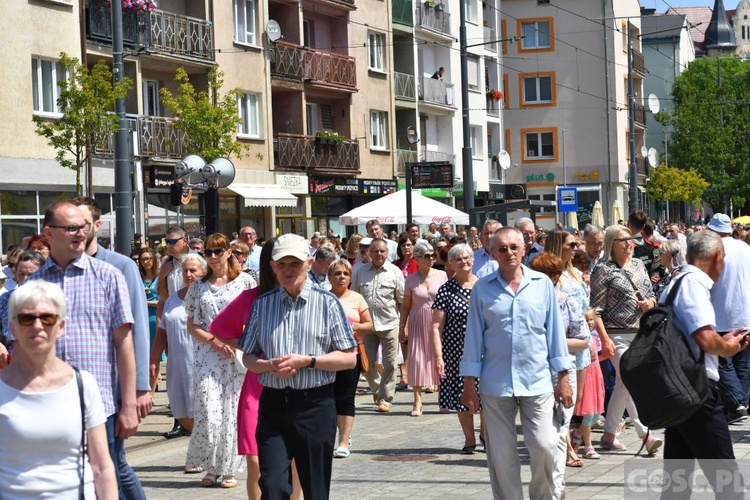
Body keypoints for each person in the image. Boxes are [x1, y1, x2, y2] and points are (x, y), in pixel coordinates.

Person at [25, 200, 140, 495]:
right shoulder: (34, 286)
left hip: (100, 405)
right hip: (47, 403)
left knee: (106, 476)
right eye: (71, 228)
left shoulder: (108, 276)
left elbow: (124, 344)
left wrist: (129, 405)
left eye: (83, 227)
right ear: (48, 233)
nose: (80, 233)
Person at [240, 233, 357, 499]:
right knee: (272, 486)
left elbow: (349, 358)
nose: (288, 270)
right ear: (272, 267)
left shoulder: (327, 303)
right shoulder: (262, 304)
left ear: (308, 262)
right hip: (273, 406)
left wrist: (309, 361)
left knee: (315, 490)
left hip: (314, 405)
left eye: (294, 263)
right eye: (282, 264)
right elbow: (248, 357)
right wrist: (267, 365)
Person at [461, 227, 573, 500]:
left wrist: (563, 377)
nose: (508, 252)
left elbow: (555, 332)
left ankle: (544, 496)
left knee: (545, 445)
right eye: (502, 248)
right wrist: (468, 384)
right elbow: (473, 337)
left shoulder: (542, 284)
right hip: (496, 382)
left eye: (513, 247)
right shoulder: (482, 289)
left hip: (537, 380)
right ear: (492, 252)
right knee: (501, 453)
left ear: (524, 249)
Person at [0, 280, 117, 499]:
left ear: (61, 326)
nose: (37, 326)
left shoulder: (83, 385)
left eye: (47, 318)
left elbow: (102, 466)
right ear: (13, 327)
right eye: (27, 318)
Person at [658, 229, 748, 499]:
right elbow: (705, 338)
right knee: (728, 482)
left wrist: (721, 340)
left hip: (677, 389)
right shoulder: (694, 284)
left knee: (677, 483)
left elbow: (694, 336)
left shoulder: (675, 282)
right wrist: (728, 347)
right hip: (696, 391)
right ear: (718, 256)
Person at [184, 233, 256, 489]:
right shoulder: (199, 286)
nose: (213, 256)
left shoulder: (245, 282)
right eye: (208, 252)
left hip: (236, 353)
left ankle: (228, 469)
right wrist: (215, 341)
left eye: (218, 251)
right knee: (208, 410)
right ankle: (211, 465)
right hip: (207, 353)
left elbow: (254, 318)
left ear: (229, 252)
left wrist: (239, 343)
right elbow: (192, 325)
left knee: (232, 410)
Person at [590, 225, 661, 454]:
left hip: (641, 333)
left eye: (631, 239)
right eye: (623, 240)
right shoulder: (603, 269)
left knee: (624, 383)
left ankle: (609, 435)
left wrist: (650, 303)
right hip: (616, 333)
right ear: (612, 243)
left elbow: (651, 294)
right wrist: (604, 338)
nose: (629, 243)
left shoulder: (640, 265)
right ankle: (645, 433)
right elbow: (596, 309)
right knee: (631, 379)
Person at [529, 253, 589, 486]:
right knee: (541, 436)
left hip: (563, 373)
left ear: (553, 278)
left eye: (539, 276)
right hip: (534, 374)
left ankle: (556, 486)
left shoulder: (566, 301)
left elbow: (582, 340)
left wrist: (551, 341)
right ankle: (546, 481)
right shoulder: (527, 302)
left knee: (559, 429)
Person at [432, 244, 484, 453]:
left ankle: (486, 435)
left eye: (467, 257)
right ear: (451, 263)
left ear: (473, 259)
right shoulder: (446, 289)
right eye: (458, 259)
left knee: (487, 396)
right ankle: (469, 440)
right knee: (461, 395)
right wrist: (438, 357)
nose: (464, 261)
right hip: (455, 352)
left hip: (483, 349)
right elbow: (436, 326)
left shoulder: (484, 286)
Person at [150, 254, 206, 444]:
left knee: (203, 412)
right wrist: (154, 359)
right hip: (177, 367)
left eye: (193, 271)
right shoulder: (173, 299)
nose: (188, 274)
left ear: (203, 272)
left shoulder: (209, 296)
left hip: (203, 367)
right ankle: (205, 448)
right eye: (185, 271)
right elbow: (162, 331)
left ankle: (202, 452)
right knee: (180, 412)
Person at [351, 238, 405, 412]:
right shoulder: (360, 272)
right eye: (375, 251)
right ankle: (376, 389)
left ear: (387, 252)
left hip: (390, 323)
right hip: (367, 326)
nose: (379, 254)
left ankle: (385, 399)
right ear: (369, 253)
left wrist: (405, 324)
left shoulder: (395, 272)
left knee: (390, 363)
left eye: (382, 251)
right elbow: (355, 298)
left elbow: (402, 301)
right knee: (367, 364)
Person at [706, 213, 750, 424]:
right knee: (743, 362)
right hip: (746, 313)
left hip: (722, 312)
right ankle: (740, 402)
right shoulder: (744, 247)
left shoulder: (714, 249)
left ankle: (736, 403)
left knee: (723, 361)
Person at [328, 258, 373, 458]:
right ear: (329, 277)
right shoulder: (323, 298)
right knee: (328, 399)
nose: (341, 277)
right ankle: (330, 436)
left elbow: (369, 324)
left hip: (350, 354)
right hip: (326, 356)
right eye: (337, 273)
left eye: (345, 274)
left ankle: (344, 440)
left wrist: (354, 326)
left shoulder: (357, 298)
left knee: (346, 398)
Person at [399, 242, 447, 417]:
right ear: (417, 258)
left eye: (433, 255)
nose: (431, 258)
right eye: (427, 256)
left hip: (439, 320)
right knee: (417, 359)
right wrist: (402, 326)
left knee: (438, 357)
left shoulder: (442, 275)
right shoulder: (410, 279)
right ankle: (417, 400)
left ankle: (443, 397)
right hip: (417, 320)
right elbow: (405, 306)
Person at [0, 251, 46, 346]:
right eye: (21, 274)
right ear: (15, 274)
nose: (25, 279)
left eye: (30, 275)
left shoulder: (53, 301)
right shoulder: (6, 300)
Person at [138, 247, 160, 392]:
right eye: (143, 259)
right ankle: (146, 384)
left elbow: (162, 300)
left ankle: (152, 390)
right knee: (142, 354)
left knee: (154, 355)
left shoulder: (159, 277)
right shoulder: (137, 276)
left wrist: (144, 302)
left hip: (154, 317)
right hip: (141, 317)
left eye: (148, 258)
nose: (146, 262)